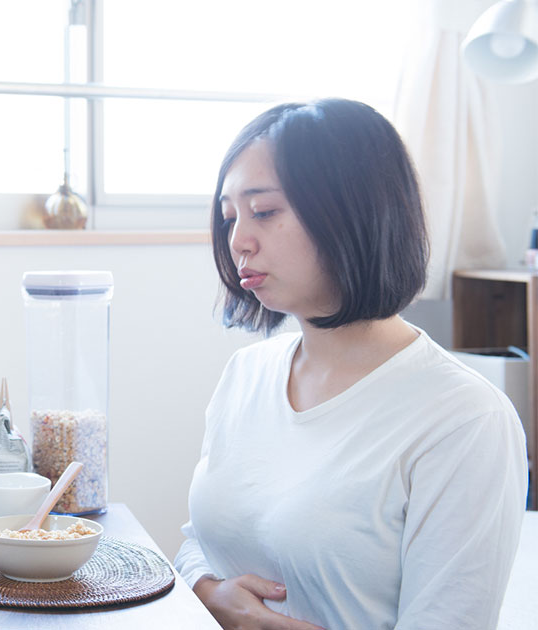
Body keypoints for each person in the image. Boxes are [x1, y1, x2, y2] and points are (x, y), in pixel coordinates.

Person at [174, 99, 527, 629]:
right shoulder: (246, 375)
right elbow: (199, 542)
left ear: (352, 210)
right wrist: (213, 593)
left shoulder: (465, 420)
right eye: (230, 217)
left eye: (265, 212)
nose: (238, 240)